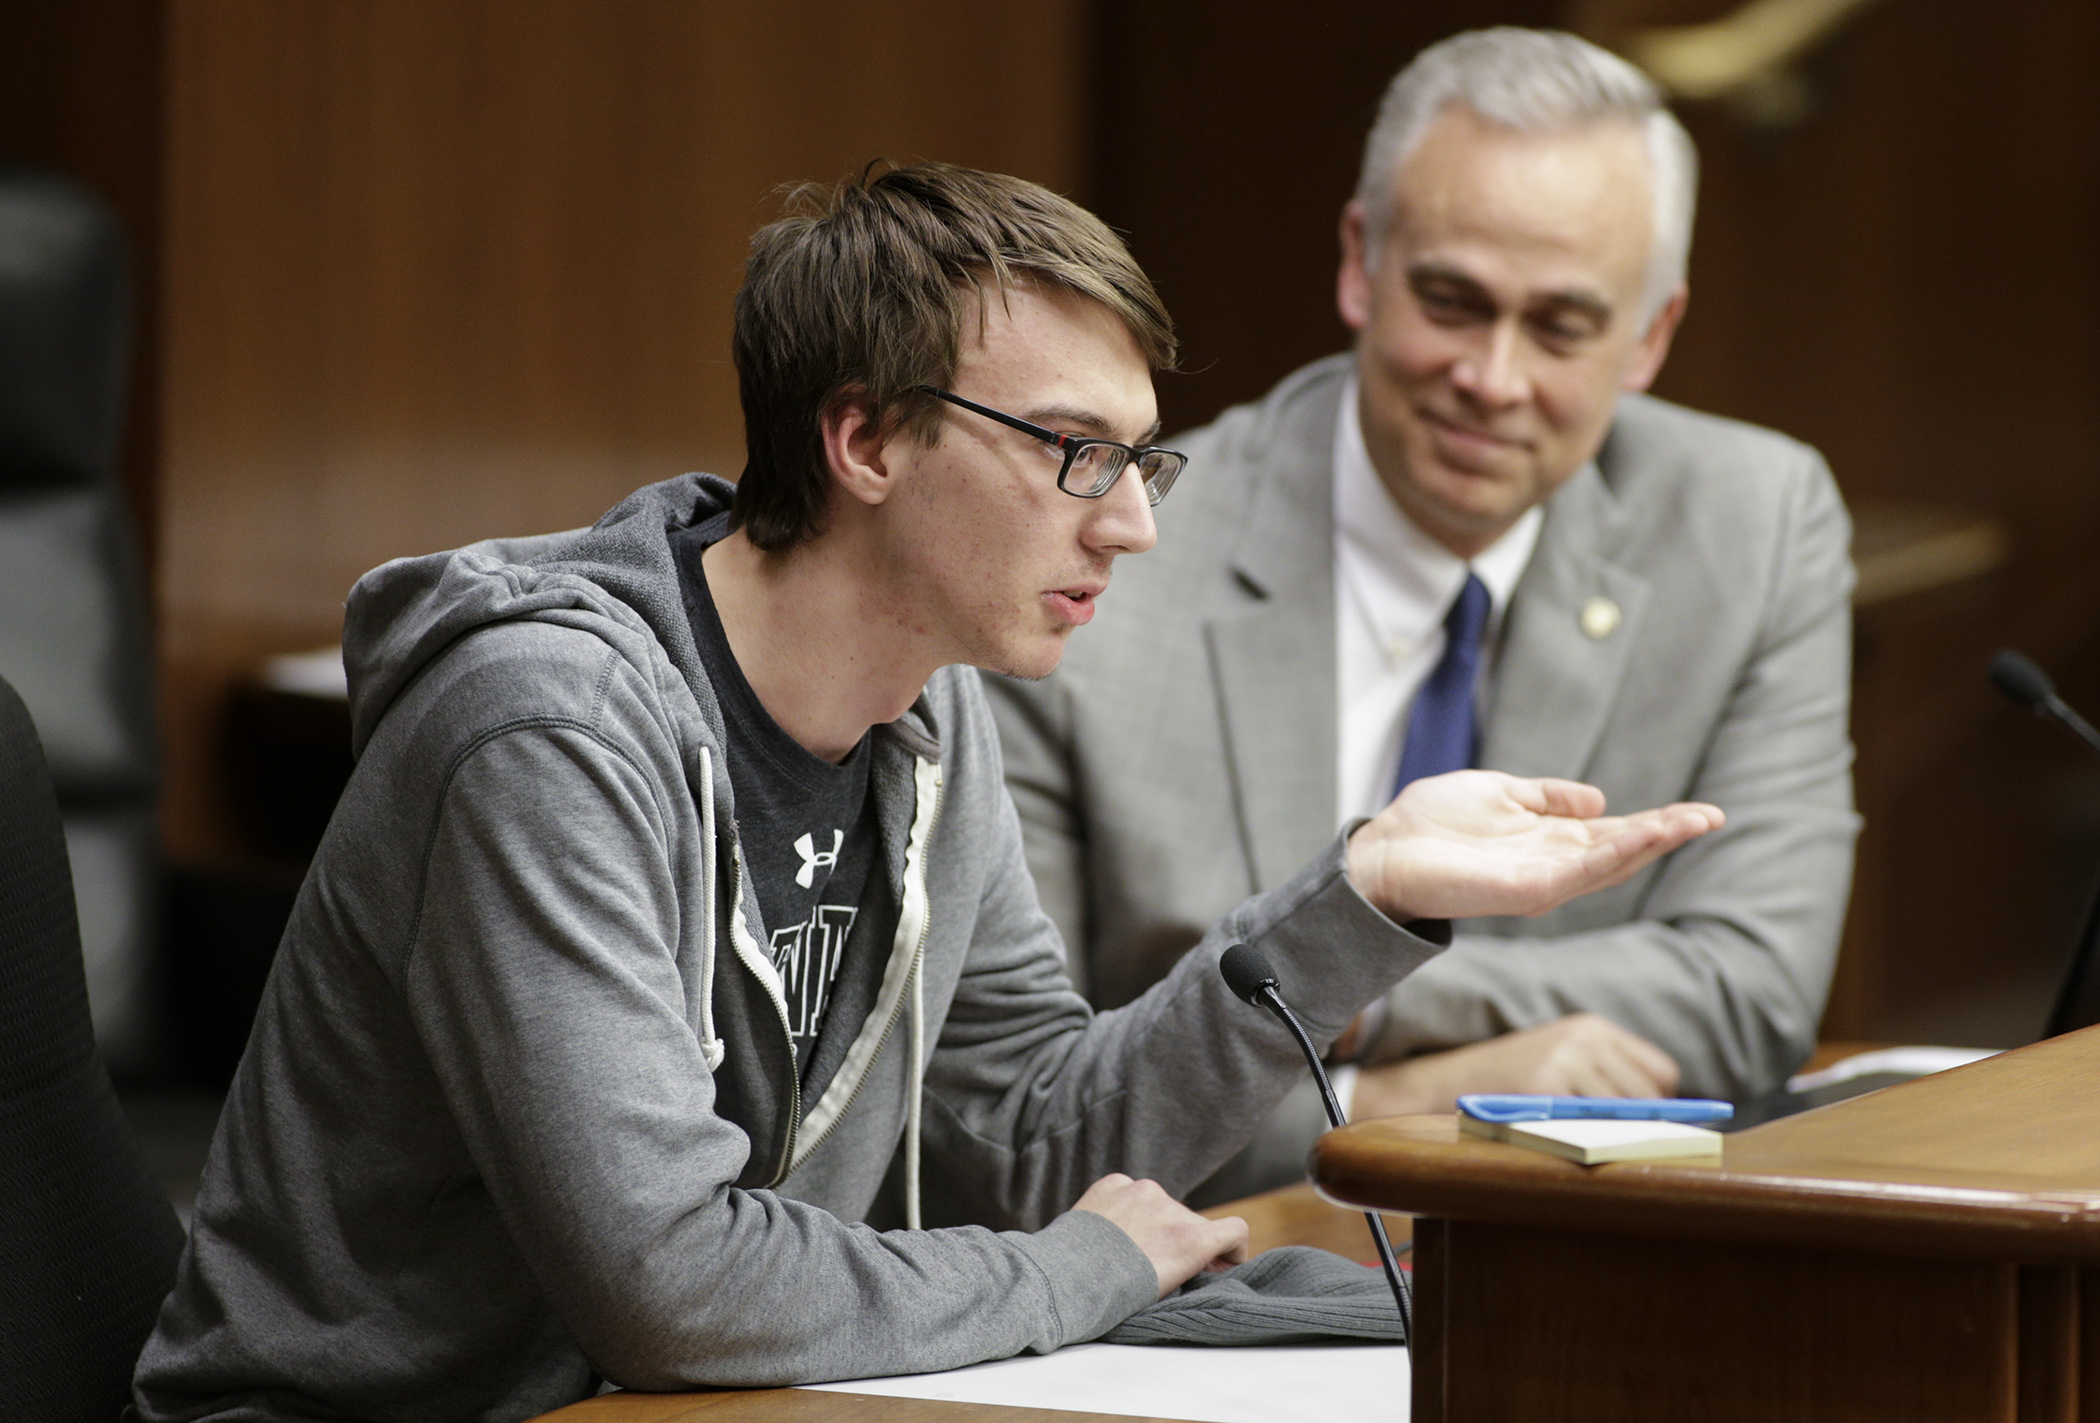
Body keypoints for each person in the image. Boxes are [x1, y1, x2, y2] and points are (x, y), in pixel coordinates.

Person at [132, 163, 1720, 1422]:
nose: (1133, 527)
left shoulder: (924, 716)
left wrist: (1364, 900)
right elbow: (668, 1277)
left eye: (1144, 462)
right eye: (1075, 454)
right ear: (867, 438)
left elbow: (1022, 1137)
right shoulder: (544, 728)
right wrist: (1075, 1270)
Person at [986, 28, 1858, 1203]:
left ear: (1650, 336)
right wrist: (1395, 1106)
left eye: (1560, 327)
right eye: (1452, 301)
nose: (1492, 379)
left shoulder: (1754, 522)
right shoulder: (1112, 556)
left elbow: (1749, 987)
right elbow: (1020, 1112)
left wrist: (1362, 992)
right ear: (1360, 262)